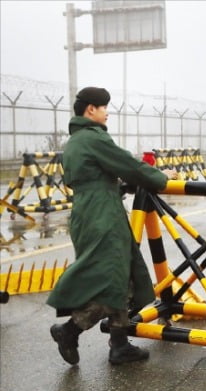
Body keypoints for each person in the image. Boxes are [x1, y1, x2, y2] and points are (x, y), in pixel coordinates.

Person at [47, 86, 177, 366]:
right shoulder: (94, 138)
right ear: (90, 109)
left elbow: (95, 178)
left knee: (121, 277)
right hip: (102, 216)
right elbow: (129, 165)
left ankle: (119, 344)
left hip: (91, 211)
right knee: (110, 278)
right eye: (104, 107)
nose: (107, 113)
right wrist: (162, 178)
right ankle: (69, 330)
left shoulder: (76, 141)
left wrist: (117, 186)